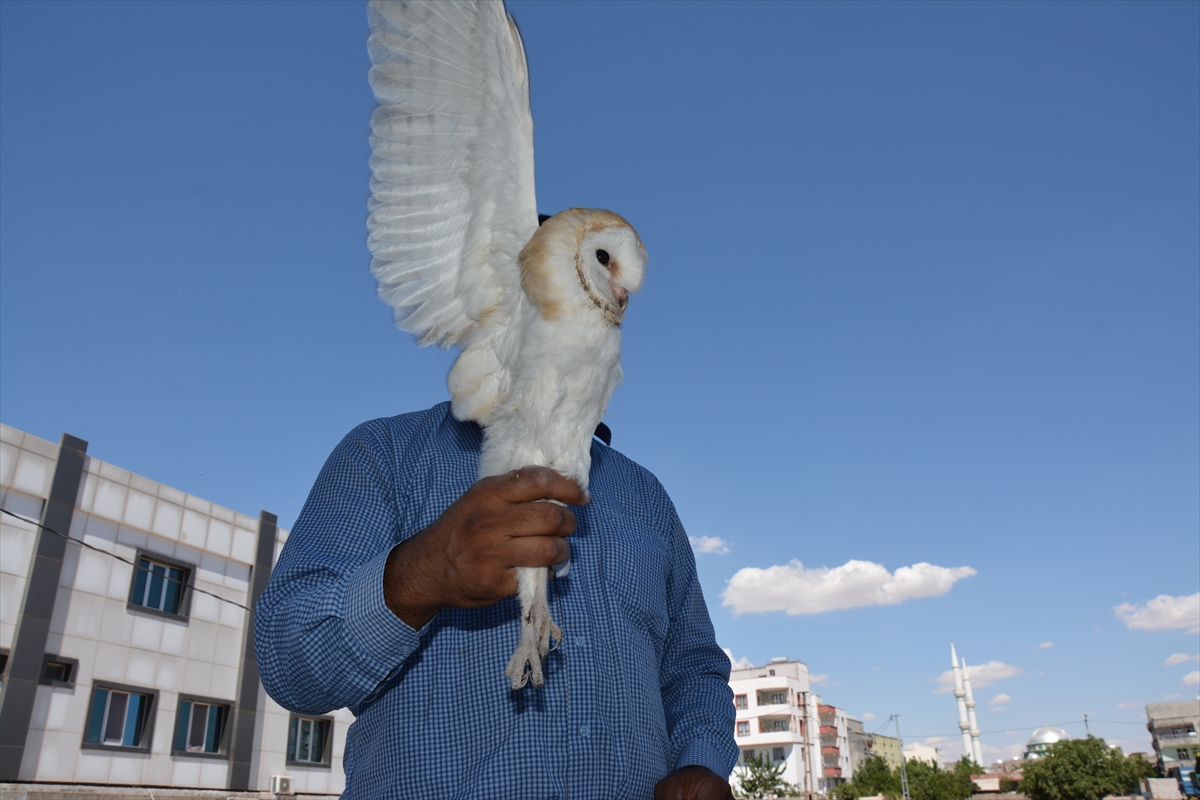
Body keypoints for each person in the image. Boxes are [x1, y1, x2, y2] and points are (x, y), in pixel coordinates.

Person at [255, 403, 737, 799]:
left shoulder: (645, 495)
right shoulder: (385, 455)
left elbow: (691, 665)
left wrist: (701, 758)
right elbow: (288, 664)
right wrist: (422, 572)